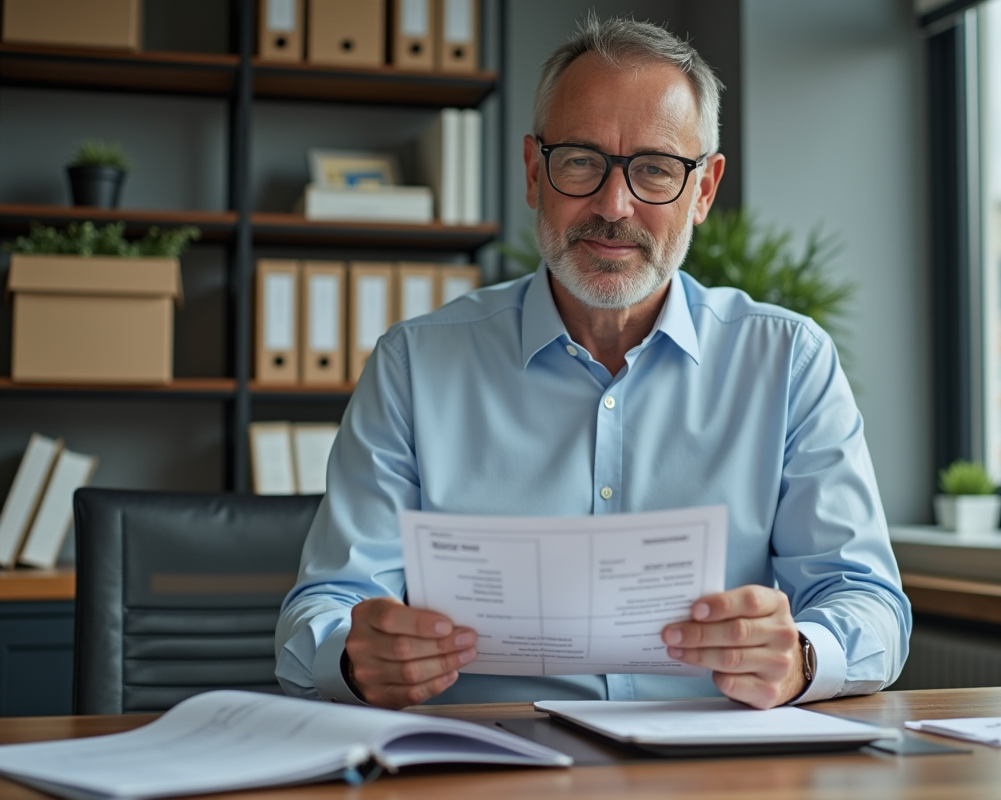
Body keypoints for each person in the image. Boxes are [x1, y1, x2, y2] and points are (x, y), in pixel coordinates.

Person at [276, 15, 911, 711]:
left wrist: (804, 655)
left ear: (702, 191)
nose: (614, 206)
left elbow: (867, 600)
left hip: (718, 767)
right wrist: (354, 652)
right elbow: (325, 604)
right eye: (580, 161)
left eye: (657, 170)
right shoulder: (414, 365)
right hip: (487, 760)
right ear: (532, 173)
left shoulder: (788, 361)